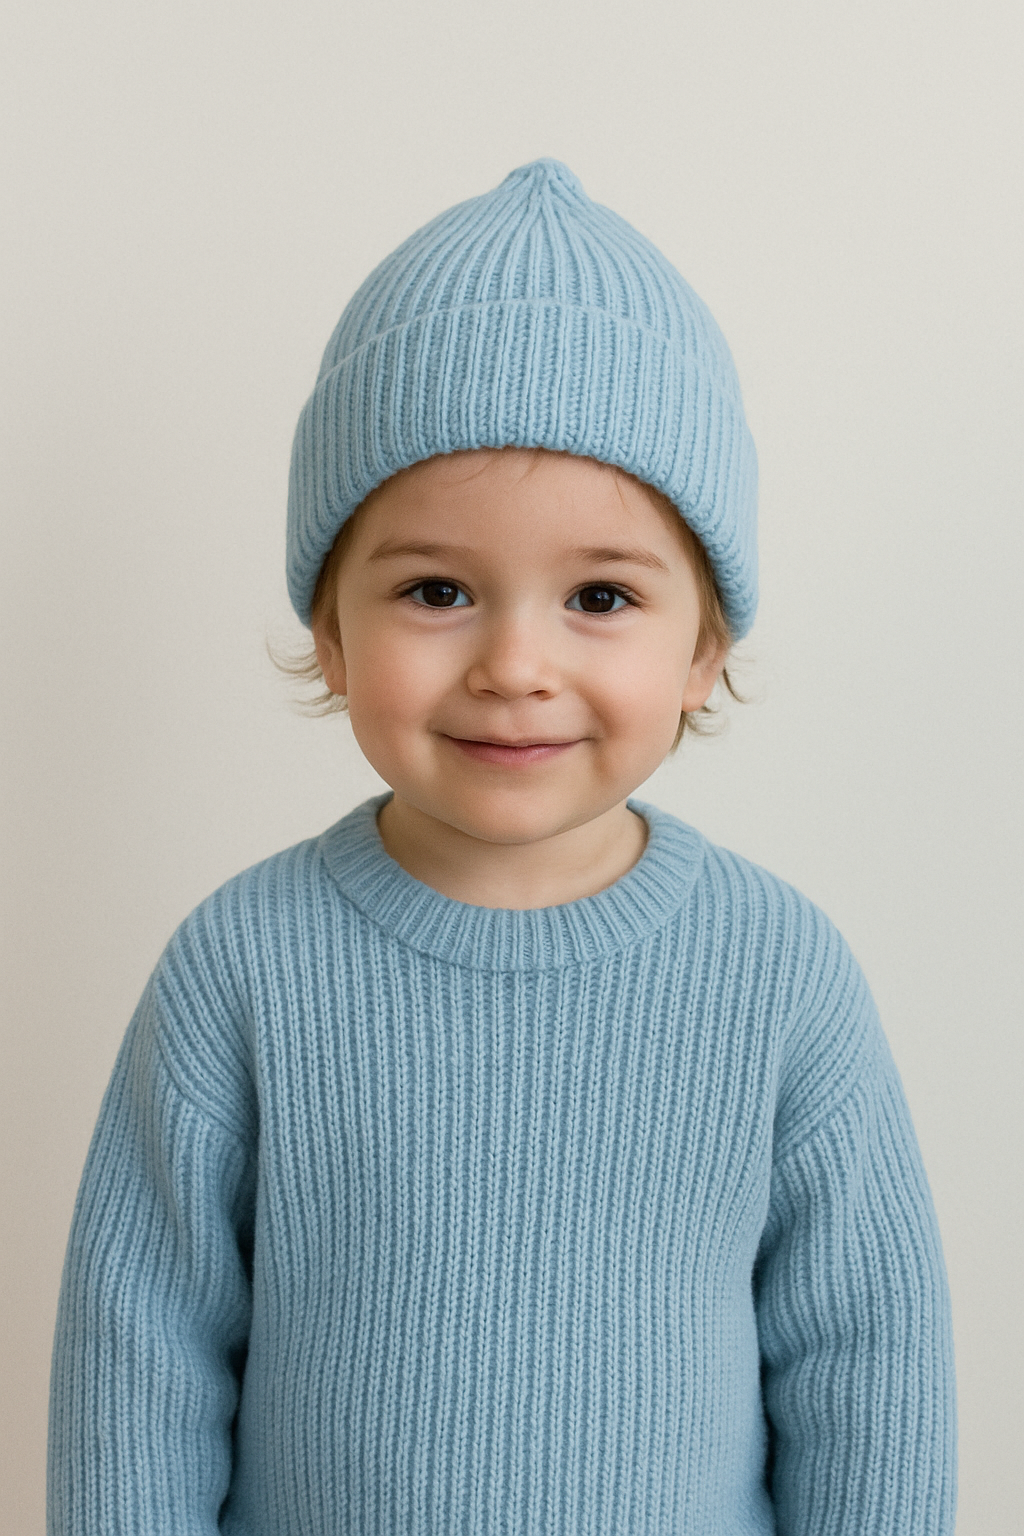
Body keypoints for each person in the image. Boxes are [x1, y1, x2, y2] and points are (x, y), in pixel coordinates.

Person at [47, 158, 957, 1534]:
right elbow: (137, 1373)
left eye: (601, 596)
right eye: (436, 589)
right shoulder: (241, 966)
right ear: (331, 633)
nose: (515, 664)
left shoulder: (780, 974)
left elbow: (870, 1379)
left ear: (705, 647)